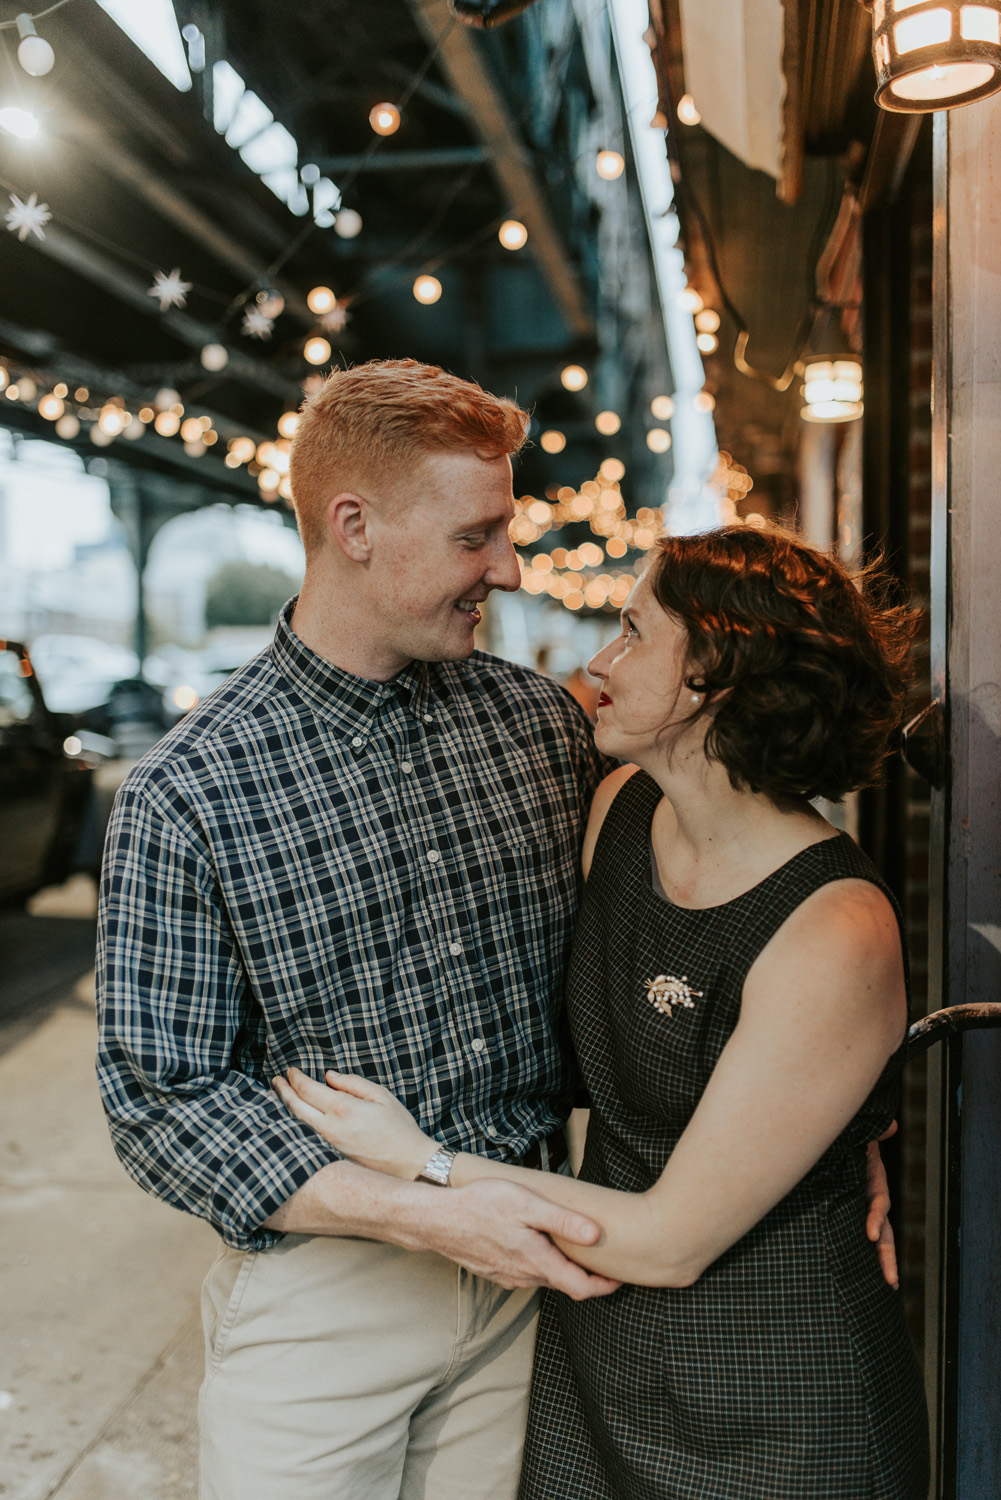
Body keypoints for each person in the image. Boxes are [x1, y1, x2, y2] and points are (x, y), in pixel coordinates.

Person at [274, 523, 930, 1500]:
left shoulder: (833, 926)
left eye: (630, 632)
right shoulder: (614, 808)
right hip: (599, 1360)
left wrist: (418, 1162)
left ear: (715, 673)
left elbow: (670, 1237)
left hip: (777, 1399)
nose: (597, 660)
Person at [95, 359, 622, 1500]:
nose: (509, 569)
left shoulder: (538, 729)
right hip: (326, 1290)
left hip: (534, 1261)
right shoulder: (190, 790)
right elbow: (163, 1103)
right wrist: (426, 1212)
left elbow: (675, 936)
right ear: (355, 527)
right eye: (475, 537)